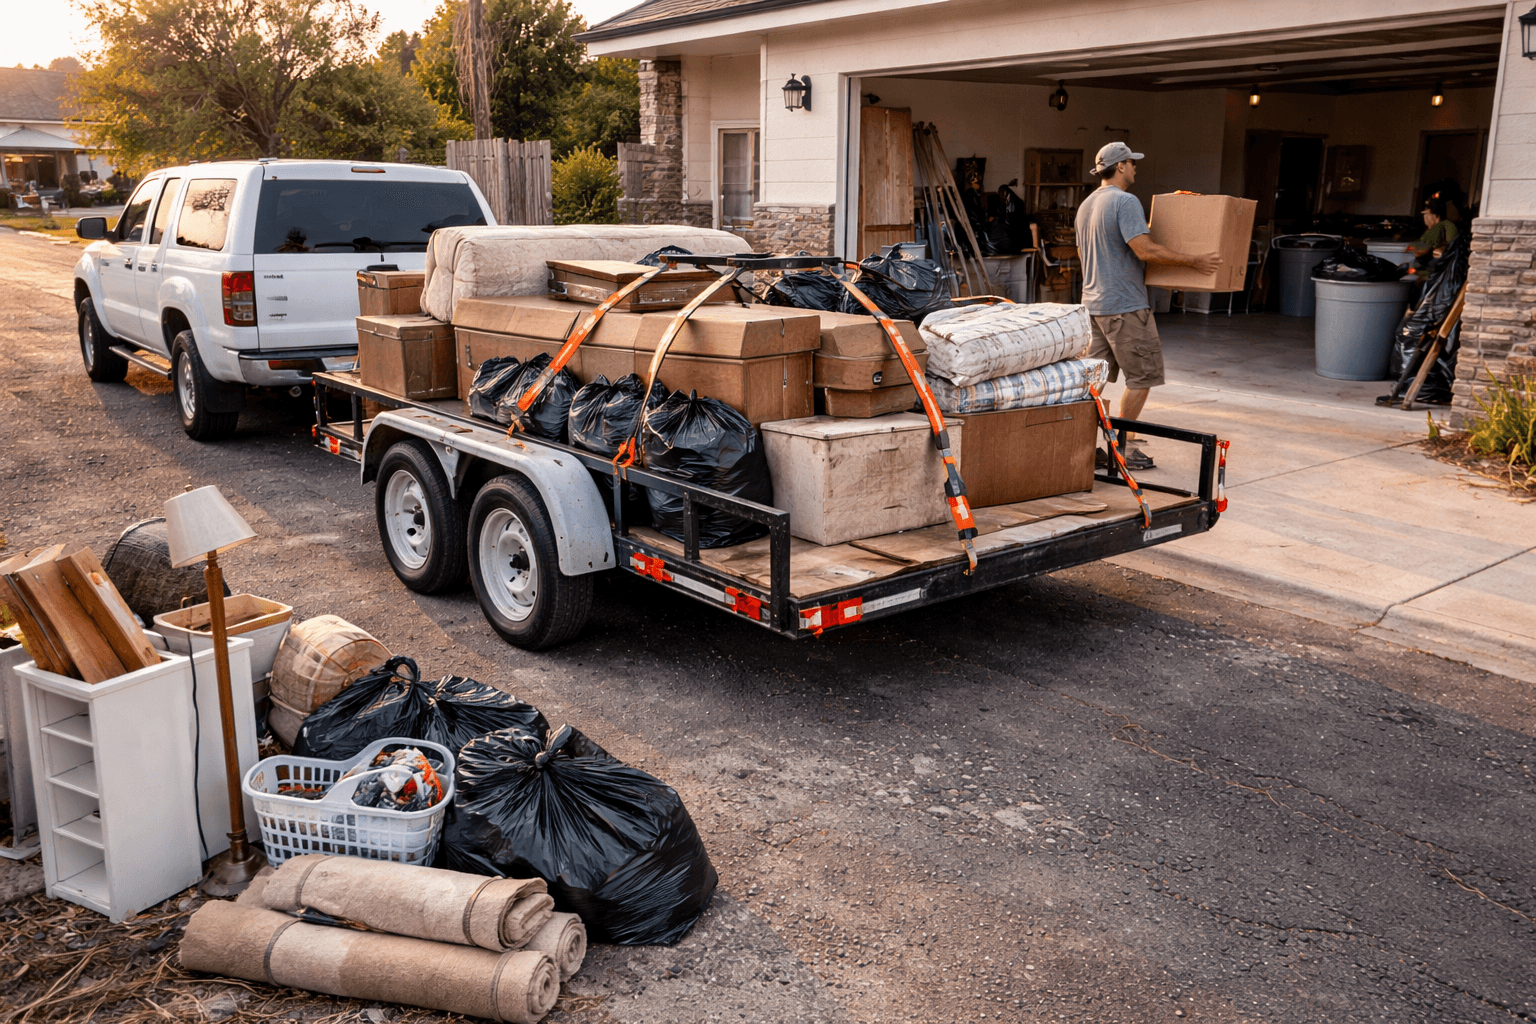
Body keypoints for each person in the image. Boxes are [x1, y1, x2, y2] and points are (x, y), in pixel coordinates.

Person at [1074, 142, 1221, 471]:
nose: (1136, 168)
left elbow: (1088, 256)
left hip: (1093, 306)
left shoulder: (1086, 205)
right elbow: (1144, 250)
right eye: (1132, 163)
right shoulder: (1125, 202)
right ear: (1121, 166)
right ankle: (1120, 449)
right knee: (1142, 377)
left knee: (1091, 383)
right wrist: (1194, 261)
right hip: (1125, 307)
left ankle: (1078, 445)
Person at [1406, 197, 1458, 274]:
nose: (1425, 218)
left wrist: (1409, 249)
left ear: (1436, 216)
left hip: (1434, 268)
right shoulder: (1446, 225)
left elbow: (1423, 250)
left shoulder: (1439, 227)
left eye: (1427, 214)